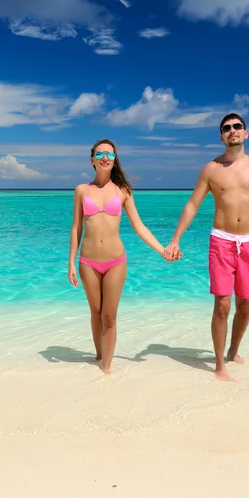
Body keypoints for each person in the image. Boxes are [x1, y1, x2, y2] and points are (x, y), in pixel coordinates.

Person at [164, 113, 249, 381]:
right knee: (222, 305)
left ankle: (233, 350)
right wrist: (175, 239)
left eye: (237, 127)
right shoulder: (211, 169)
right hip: (221, 240)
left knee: (245, 305)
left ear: (246, 133)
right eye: (227, 128)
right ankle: (219, 365)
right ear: (221, 136)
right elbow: (193, 204)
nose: (232, 131)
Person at [68, 139, 179, 374]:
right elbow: (76, 228)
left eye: (110, 154)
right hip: (87, 261)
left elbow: (139, 227)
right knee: (95, 313)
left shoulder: (123, 191)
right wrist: (71, 262)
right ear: (92, 160)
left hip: (115, 262)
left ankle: (106, 370)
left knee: (109, 316)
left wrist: (162, 250)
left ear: (115, 159)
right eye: (100, 154)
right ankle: (99, 357)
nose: (105, 158)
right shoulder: (81, 190)